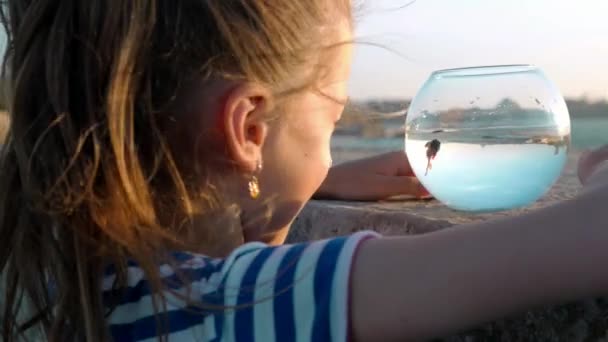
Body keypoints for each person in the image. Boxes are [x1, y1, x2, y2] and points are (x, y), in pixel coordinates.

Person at [1, 1, 608, 341]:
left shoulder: (57, 265)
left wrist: (281, 179)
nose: (329, 158)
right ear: (248, 132)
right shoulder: (227, 308)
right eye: (330, 123)